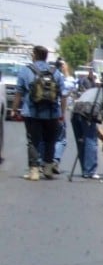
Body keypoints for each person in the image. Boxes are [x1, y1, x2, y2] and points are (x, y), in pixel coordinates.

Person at [12, 45, 68, 181]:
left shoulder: (26, 70)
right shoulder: (55, 72)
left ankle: (34, 171)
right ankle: (48, 168)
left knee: (33, 141)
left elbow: (19, 92)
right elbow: (63, 95)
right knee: (50, 140)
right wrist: (62, 114)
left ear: (34, 55)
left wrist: (14, 109)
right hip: (52, 113)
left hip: (32, 112)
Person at [70, 72, 103, 180]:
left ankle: (85, 169)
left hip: (76, 111)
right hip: (87, 111)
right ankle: (90, 170)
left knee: (81, 141)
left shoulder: (92, 90)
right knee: (91, 141)